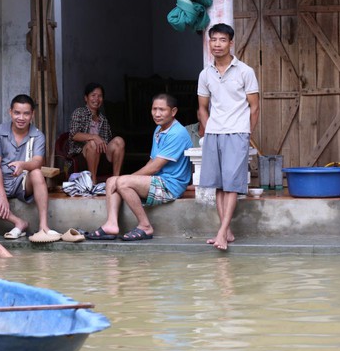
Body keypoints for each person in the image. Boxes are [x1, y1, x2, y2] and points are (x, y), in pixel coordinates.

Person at [86, 93, 193, 241]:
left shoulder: (177, 133)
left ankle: (145, 226)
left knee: (122, 182)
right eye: (154, 109)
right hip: (158, 180)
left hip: (171, 186)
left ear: (173, 112)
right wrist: (125, 179)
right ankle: (111, 224)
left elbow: (155, 167)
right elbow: (151, 162)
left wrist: (127, 178)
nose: (157, 114)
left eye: (162, 110)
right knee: (112, 180)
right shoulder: (159, 129)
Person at [197, 23, 260, 251]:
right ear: (209, 42)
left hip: (237, 133)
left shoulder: (245, 71)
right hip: (214, 133)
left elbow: (254, 107)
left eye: (222, 40)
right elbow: (202, 108)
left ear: (231, 43)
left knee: (232, 185)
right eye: (213, 40)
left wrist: (246, 132)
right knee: (218, 186)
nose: (217, 44)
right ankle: (227, 231)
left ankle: (222, 233)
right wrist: (209, 127)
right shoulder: (205, 74)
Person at [0, 94, 61, 243]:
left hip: (22, 180)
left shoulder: (37, 135)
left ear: (32, 115)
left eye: (26, 113)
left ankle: (43, 226)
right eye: (17, 113)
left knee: (37, 173)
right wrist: (2, 195)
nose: (21, 118)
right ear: (10, 112)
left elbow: (37, 161)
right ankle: (19, 222)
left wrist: (23, 165)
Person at [68, 82, 125, 183]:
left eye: (100, 96)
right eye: (93, 95)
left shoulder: (103, 119)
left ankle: (116, 180)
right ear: (86, 98)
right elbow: (74, 135)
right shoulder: (79, 113)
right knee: (93, 144)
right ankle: (92, 181)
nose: (96, 99)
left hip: (101, 159)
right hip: (83, 158)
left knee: (119, 141)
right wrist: (94, 137)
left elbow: (107, 142)